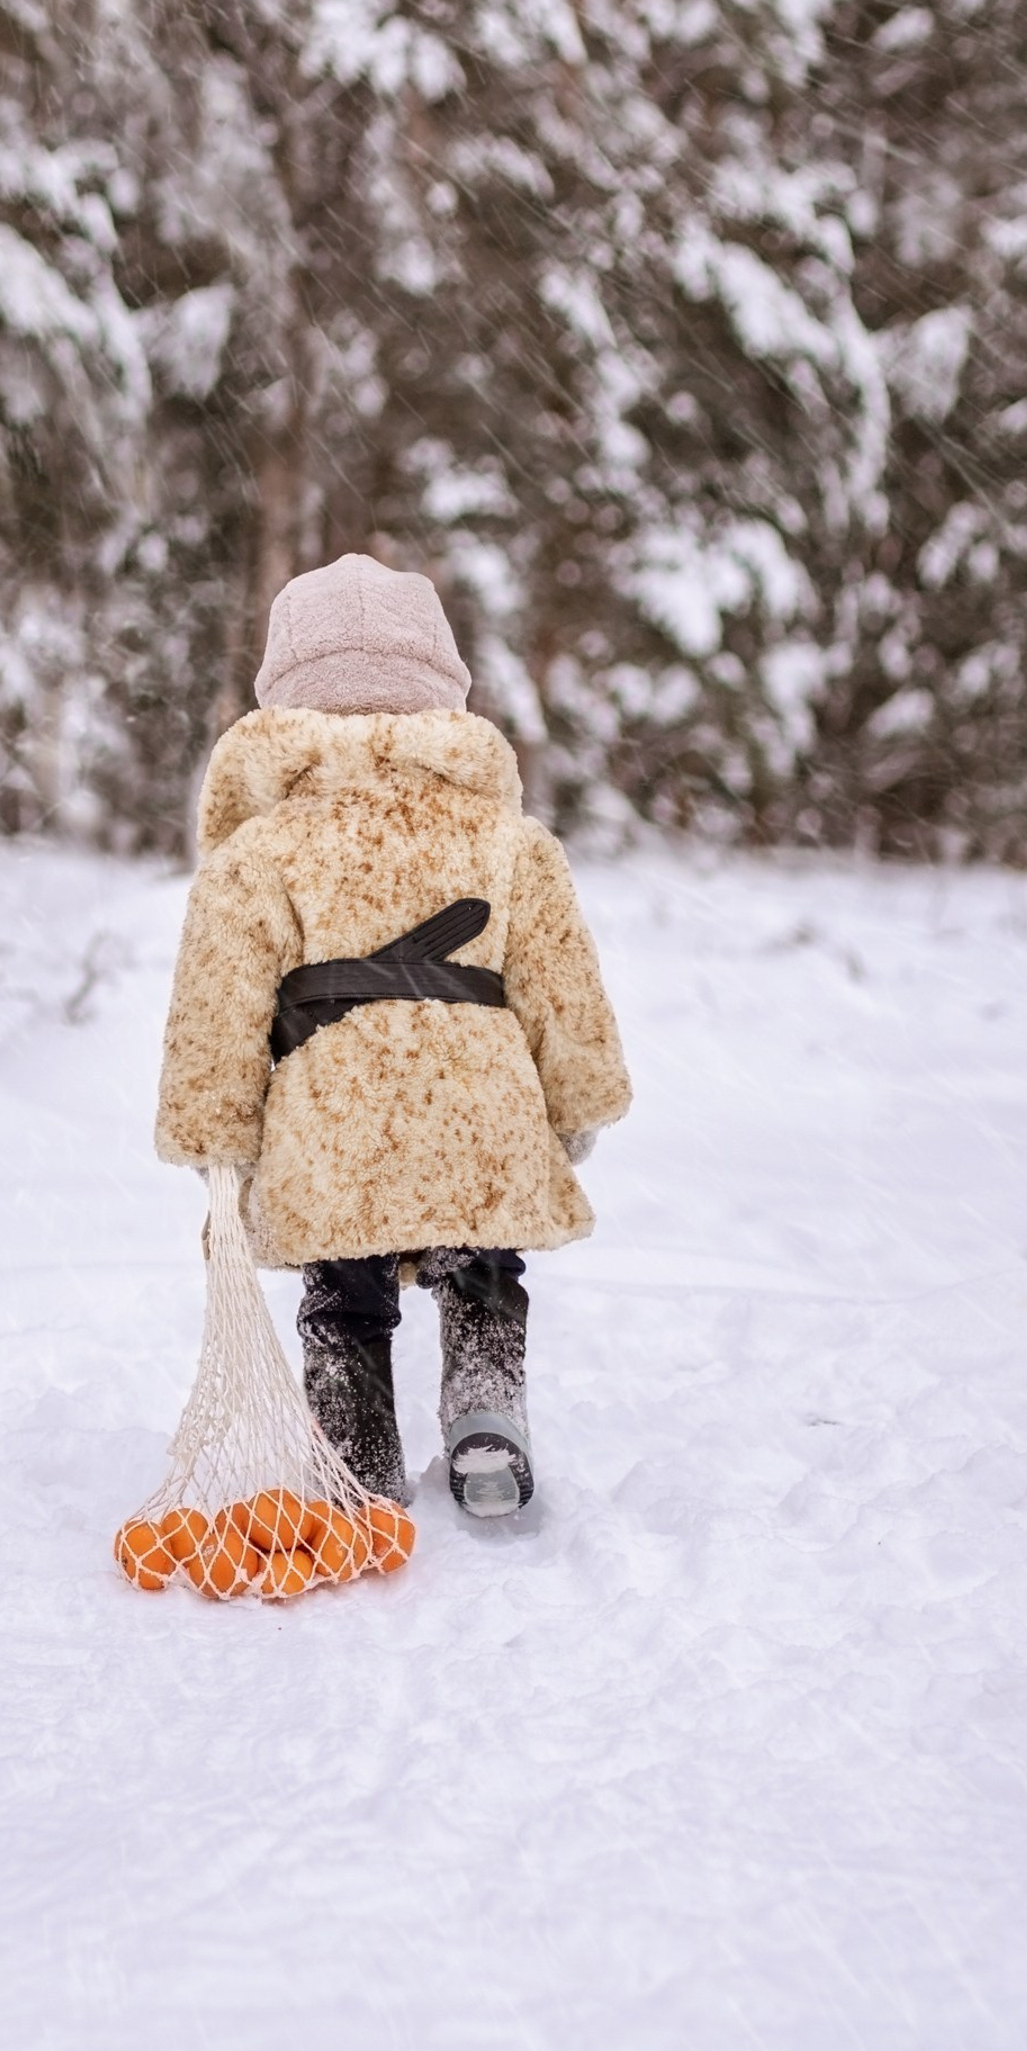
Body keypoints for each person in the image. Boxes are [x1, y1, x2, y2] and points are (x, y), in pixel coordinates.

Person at [155, 553, 631, 1518]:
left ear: (284, 697)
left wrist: (214, 1138)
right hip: (482, 1106)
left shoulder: (258, 852)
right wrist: (577, 1105)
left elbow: (217, 1013)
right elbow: (565, 995)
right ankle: (485, 1412)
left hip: (330, 1117)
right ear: (444, 687)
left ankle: (357, 1467)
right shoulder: (510, 843)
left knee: (344, 1299)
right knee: (482, 1265)